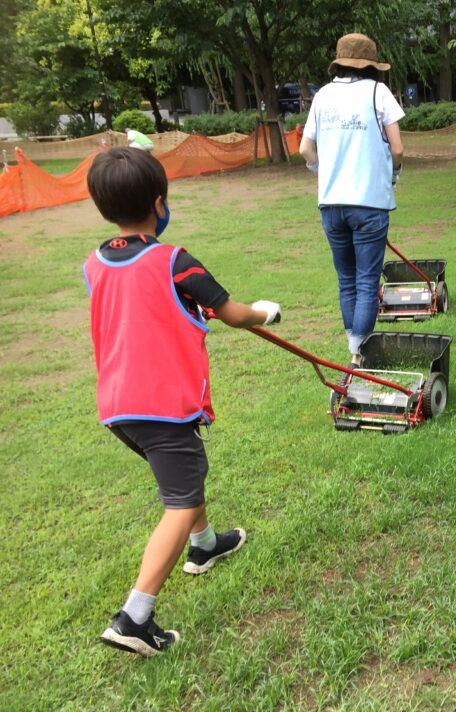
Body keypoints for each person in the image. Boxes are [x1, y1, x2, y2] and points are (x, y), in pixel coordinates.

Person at [83, 147, 282, 656]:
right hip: (163, 407)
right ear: (160, 202)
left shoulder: (94, 263)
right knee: (183, 498)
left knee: (184, 480)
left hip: (118, 407)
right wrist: (265, 312)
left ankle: (205, 544)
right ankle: (134, 616)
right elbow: (232, 313)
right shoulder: (175, 261)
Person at [300, 33, 405, 366]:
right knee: (366, 279)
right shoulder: (378, 92)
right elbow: (398, 148)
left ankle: (354, 346)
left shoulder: (323, 95)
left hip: (331, 203)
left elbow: (305, 149)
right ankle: (359, 354)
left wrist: (321, 169)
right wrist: (393, 173)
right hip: (370, 203)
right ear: (371, 65)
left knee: (346, 278)